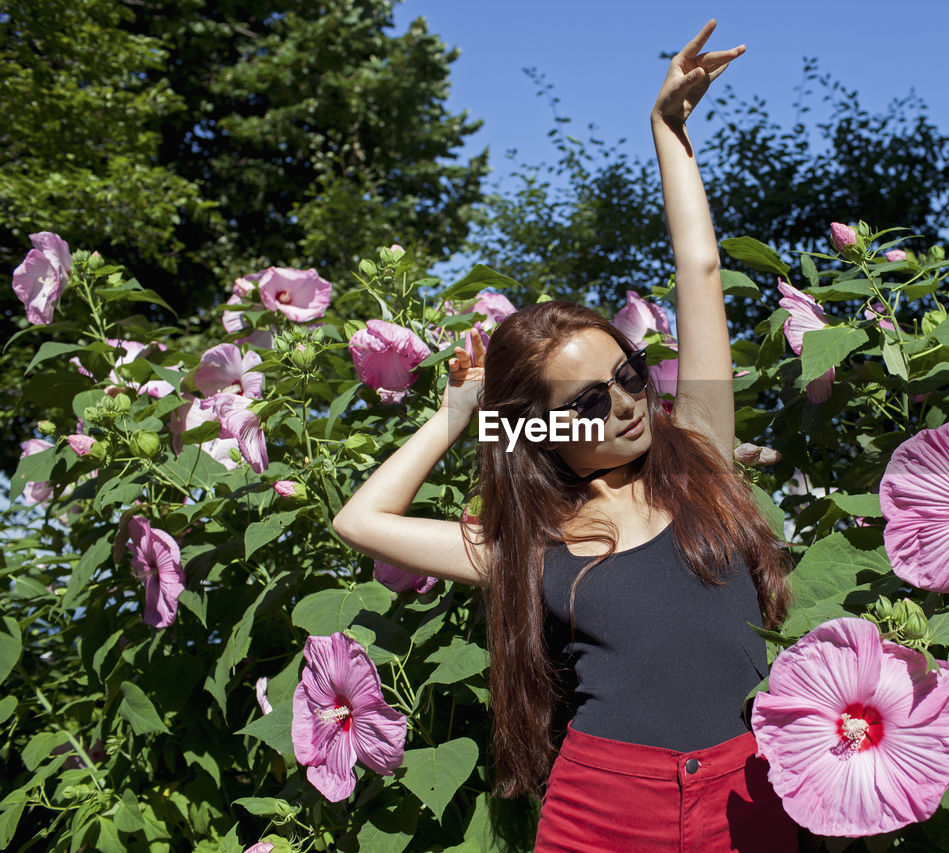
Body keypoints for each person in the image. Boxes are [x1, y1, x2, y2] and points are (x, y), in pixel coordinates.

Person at [332, 19, 800, 852]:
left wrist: (668, 131)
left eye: (627, 374)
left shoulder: (701, 457)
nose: (624, 402)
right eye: (590, 399)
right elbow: (360, 522)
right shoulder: (531, 544)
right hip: (604, 803)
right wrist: (461, 410)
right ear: (543, 428)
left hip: (748, 790)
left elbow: (700, 272)